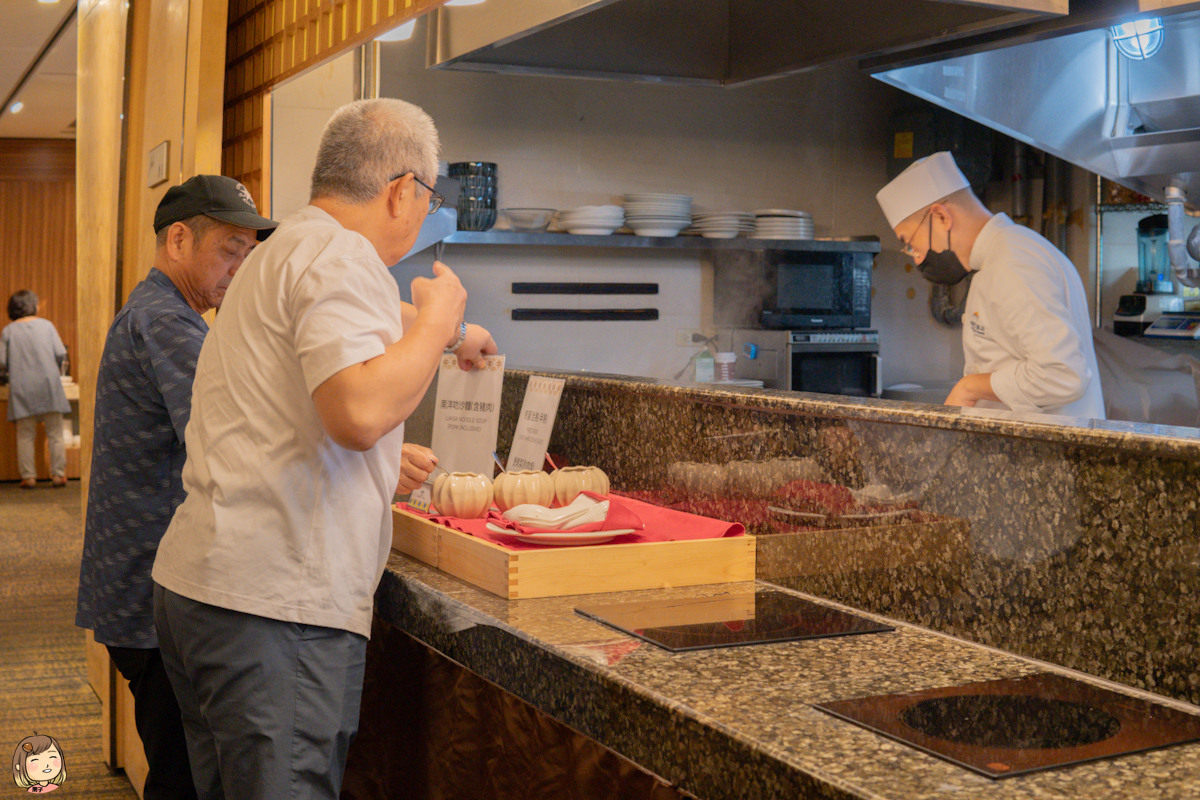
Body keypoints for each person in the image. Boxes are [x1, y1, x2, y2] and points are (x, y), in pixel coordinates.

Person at [151, 97, 497, 800]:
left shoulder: (283, 250)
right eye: (427, 197)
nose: (424, 211)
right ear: (403, 190)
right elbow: (360, 412)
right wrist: (437, 324)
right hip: (275, 607)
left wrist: (454, 334)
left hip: (205, 589)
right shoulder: (343, 255)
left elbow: (341, 322)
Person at [75, 175, 278, 800]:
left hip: (136, 588)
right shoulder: (165, 321)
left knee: (179, 763)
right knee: (182, 774)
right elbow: (233, 436)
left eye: (248, 253)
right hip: (150, 594)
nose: (238, 268)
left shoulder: (162, 311)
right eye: (228, 250)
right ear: (179, 239)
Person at [876, 151, 1105, 419]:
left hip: (1051, 454)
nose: (915, 256)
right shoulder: (1001, 256)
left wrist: (969, 388)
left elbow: (1063, 375)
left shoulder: (1013, 261)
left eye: (909, 242)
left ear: (941, 217)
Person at [1, 290, 71, 488]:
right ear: (34, 305)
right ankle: (58, 475)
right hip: (49, 386)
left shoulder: (8, 331)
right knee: (55, 434)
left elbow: (1, 361)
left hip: (21, 388)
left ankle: (29, 477)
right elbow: (60, 353)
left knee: (25, 435)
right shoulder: (47, 326)